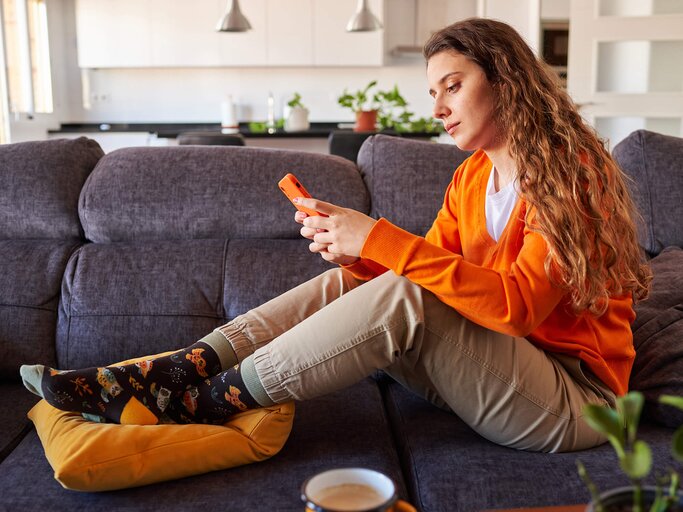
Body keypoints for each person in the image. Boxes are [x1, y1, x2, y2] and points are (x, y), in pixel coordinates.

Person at [20, 18, 651, 452]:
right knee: (346, 282)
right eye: (433, 91)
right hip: (497, 373)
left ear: (507, 80)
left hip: (576, 399)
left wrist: (377, 238)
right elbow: (425, 271)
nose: (436, 107)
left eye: (453, 86)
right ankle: (186, 365)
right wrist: (356, 249)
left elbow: (514, 308)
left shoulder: (573, 177)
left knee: (405, 295)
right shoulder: (471, 178)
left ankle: (207, 400)